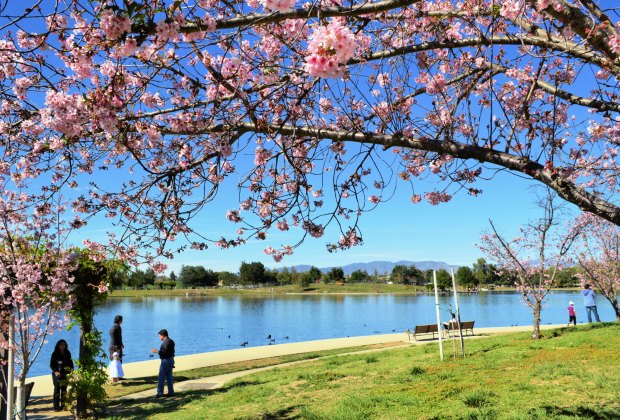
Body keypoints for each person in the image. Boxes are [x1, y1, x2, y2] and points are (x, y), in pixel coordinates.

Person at [50, 339, 74, 412]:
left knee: (64, 390)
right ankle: (56, 406)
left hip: (65, 374)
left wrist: (71, 371)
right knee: (57, 390)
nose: (63, 346)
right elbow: (51, 365)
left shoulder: (67, 353)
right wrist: (56, 372)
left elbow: (71, 363)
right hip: (56, 374)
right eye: (61, 344)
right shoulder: (54, 354)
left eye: (64, 344)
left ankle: (64, 405)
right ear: (58, 345)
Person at [151, 329, 175, 398]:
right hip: (170, 360)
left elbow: (164, 353)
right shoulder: (171, 341)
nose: (159, 337)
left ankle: (160, 393)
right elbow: (171, 352)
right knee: (169, 377)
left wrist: (156, 351)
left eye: (160, 335)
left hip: (166, 361)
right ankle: (171, 392)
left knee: (161, 377)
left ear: (163, 335)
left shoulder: (165, 342)